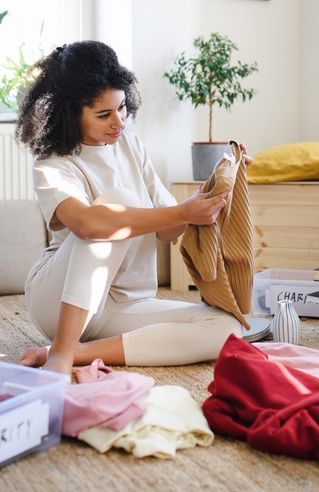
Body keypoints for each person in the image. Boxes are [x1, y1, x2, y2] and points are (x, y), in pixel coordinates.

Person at [14, 40, 251, 377]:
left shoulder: (132, 147)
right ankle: (61, 353)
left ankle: (77, 352)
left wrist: (214, 188)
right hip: (59, 302)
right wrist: (182, 212)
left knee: (228, 329)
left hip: (126, 304)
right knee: (117, 204)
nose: (119, 122)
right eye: (104, 114)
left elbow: (169, 228)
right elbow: (87, 225)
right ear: (70, 113)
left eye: (122, 107)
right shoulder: (52, 164)